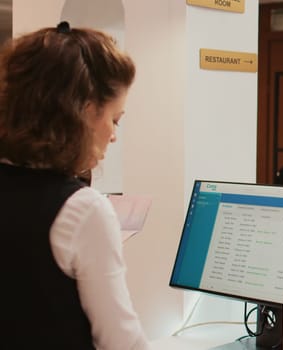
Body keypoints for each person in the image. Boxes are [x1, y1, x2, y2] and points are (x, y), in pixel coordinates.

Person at [0, 22, 150, 349]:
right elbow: (121, 342)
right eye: (114, 119)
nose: (113, 134)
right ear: (83, 112)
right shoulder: (82, 209)